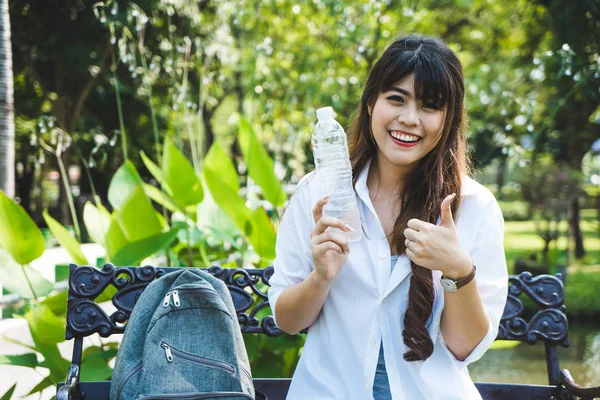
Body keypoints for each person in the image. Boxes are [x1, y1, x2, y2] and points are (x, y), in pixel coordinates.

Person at [267, 34, 508, 400]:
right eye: (396, 99)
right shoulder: (319, 194)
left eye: (429, 106)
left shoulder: (476, 208)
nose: (409, 119)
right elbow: (288, 321)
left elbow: (464, 348)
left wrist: (459, 272)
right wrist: (321, 277)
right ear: (370, 104)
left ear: (448, 119)